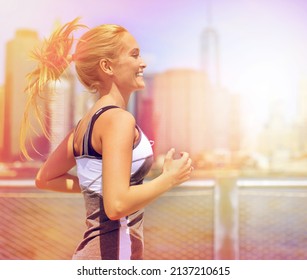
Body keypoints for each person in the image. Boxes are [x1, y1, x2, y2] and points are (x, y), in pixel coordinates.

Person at [20, 18, 193, 260]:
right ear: (107, 66)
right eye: (134, 55)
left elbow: (45, 179)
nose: (142, 63)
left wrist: (102, 186)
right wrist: (169, 179)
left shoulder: (85, 124)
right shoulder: (118, 120)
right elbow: (117, 206)